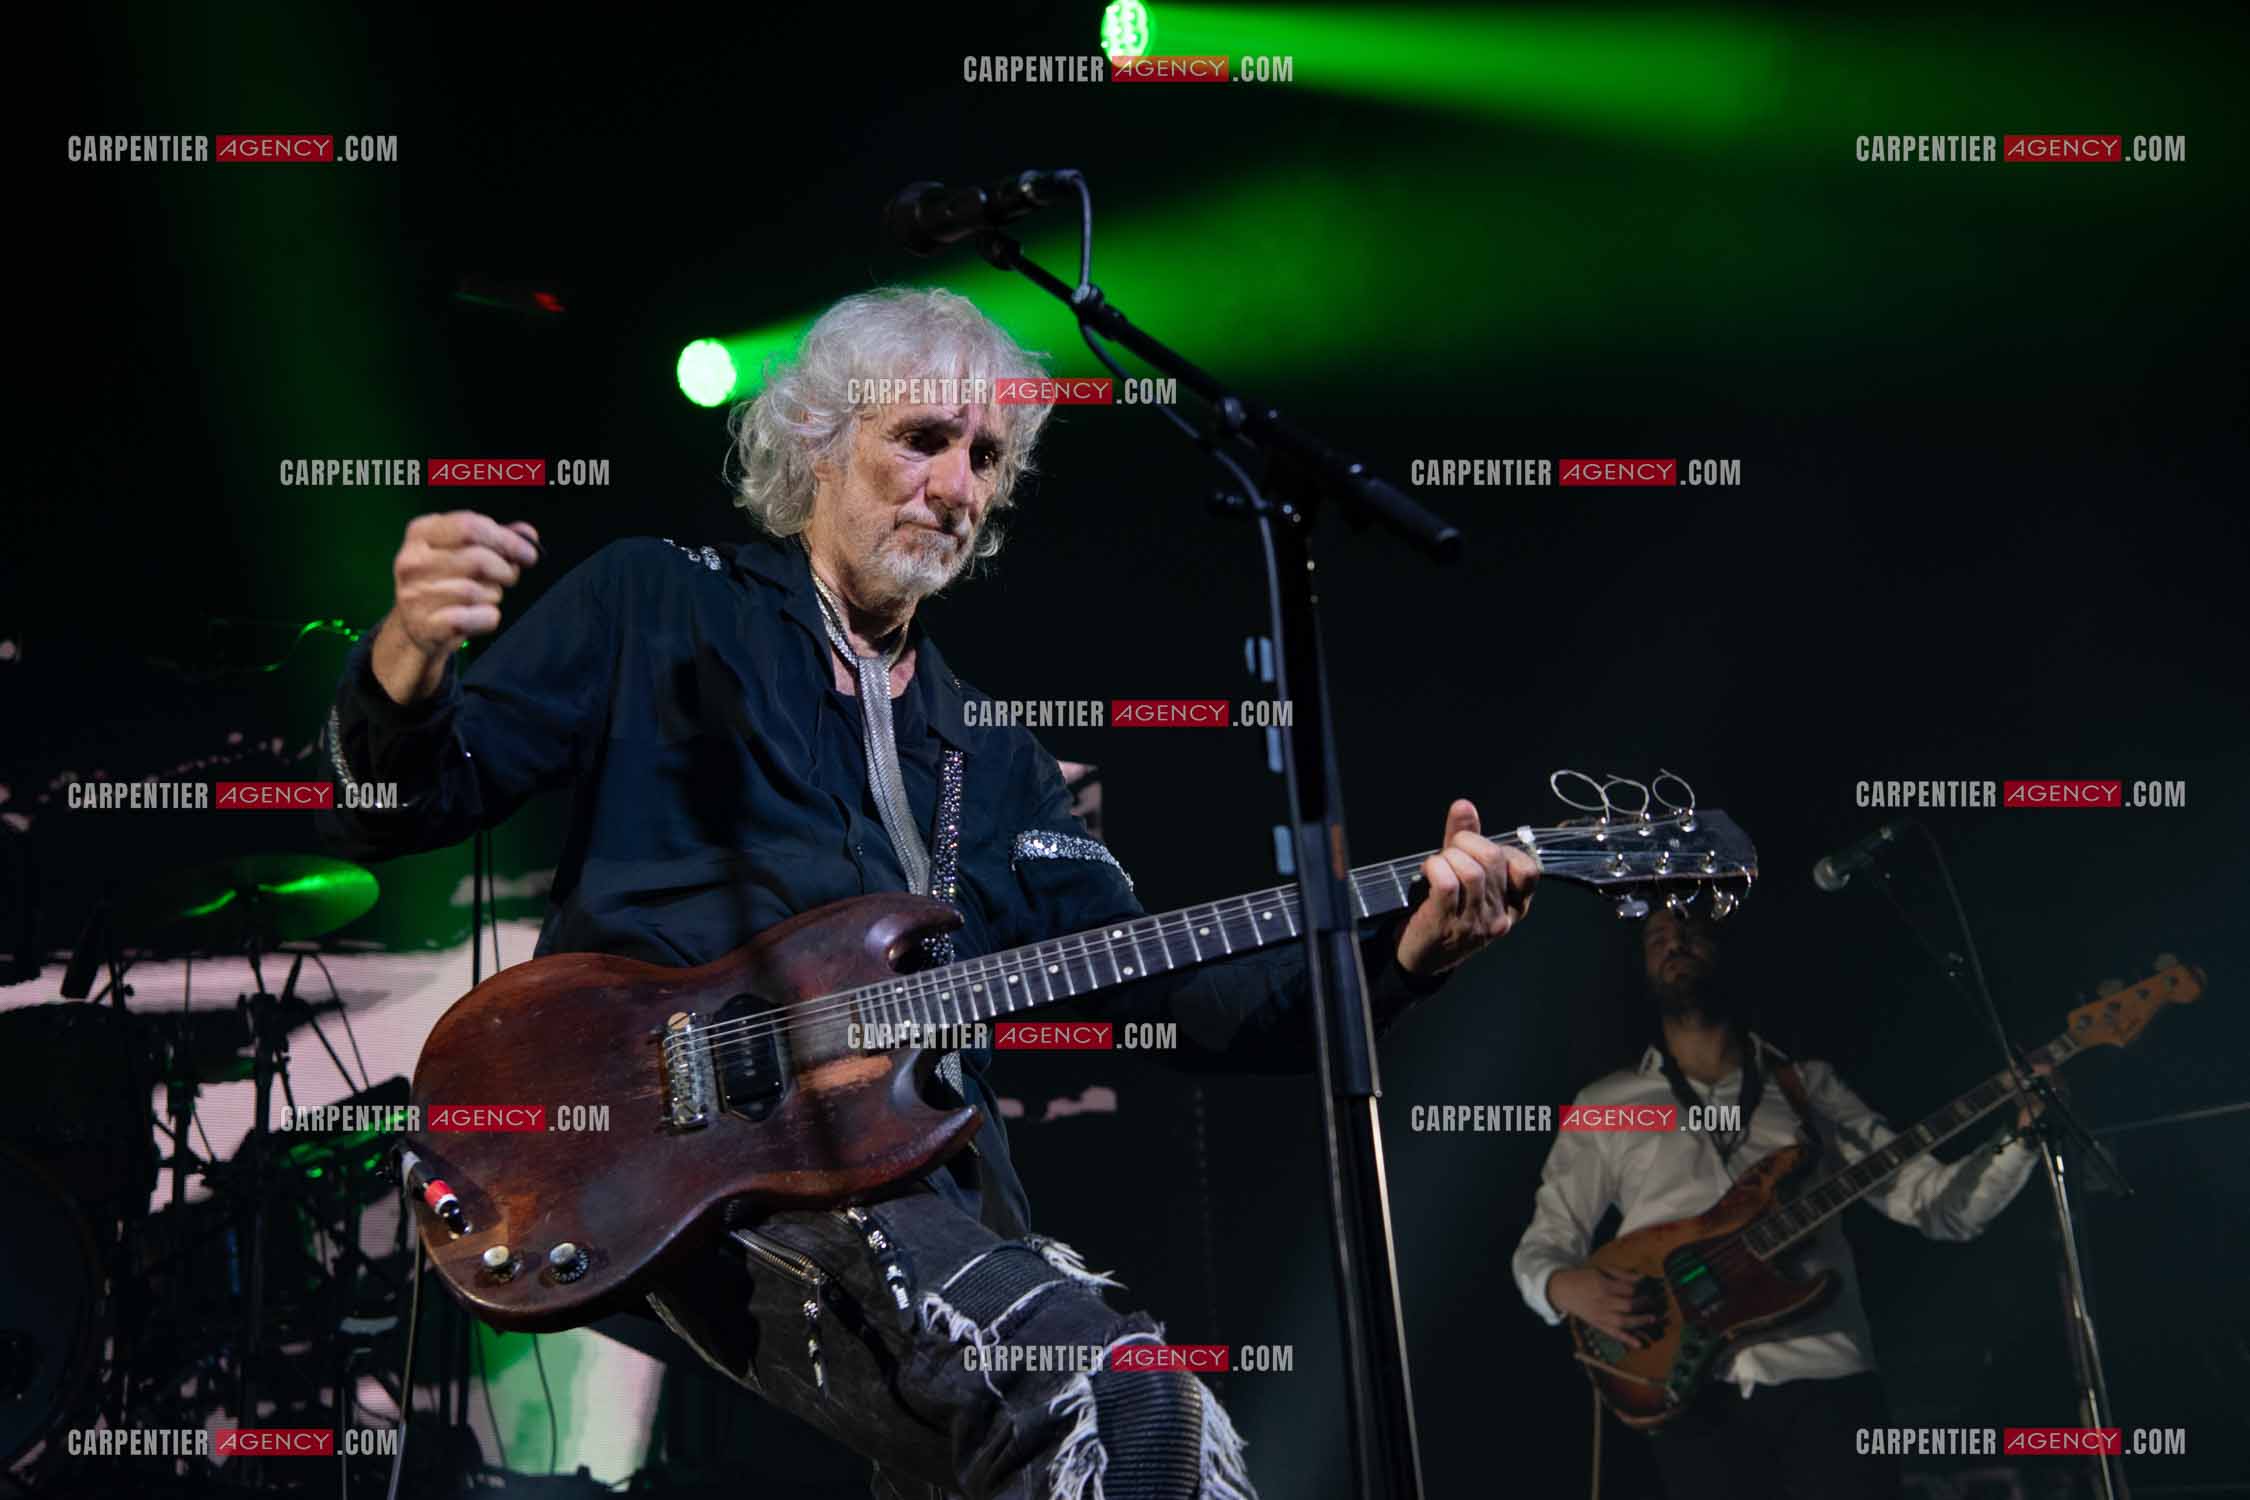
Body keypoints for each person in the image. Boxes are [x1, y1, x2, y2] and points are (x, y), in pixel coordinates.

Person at [317, 287, 1540, 1499]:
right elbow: (407, 803)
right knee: (1119, 1402)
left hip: (918, 1198)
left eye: (987, 455)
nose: (956, 484)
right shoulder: (661, 602)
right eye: (921, 439)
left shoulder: (993, 760)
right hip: (662, 1158)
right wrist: (409, 656)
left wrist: (1408, 953)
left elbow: (1182, 991)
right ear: (817, 441)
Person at [1510, 900, 2046, 1500]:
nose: (1674, 941)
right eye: (1656, 935)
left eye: (1690, 929)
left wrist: (2021, 1135)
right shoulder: (1608, 1102)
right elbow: (1544, 1243)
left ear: (1725, 949)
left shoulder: (1807, 1087)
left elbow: (1941, 1207)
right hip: (1689, 1393)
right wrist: (1563, 1288)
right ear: (1642, 967)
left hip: (1825, 1377)